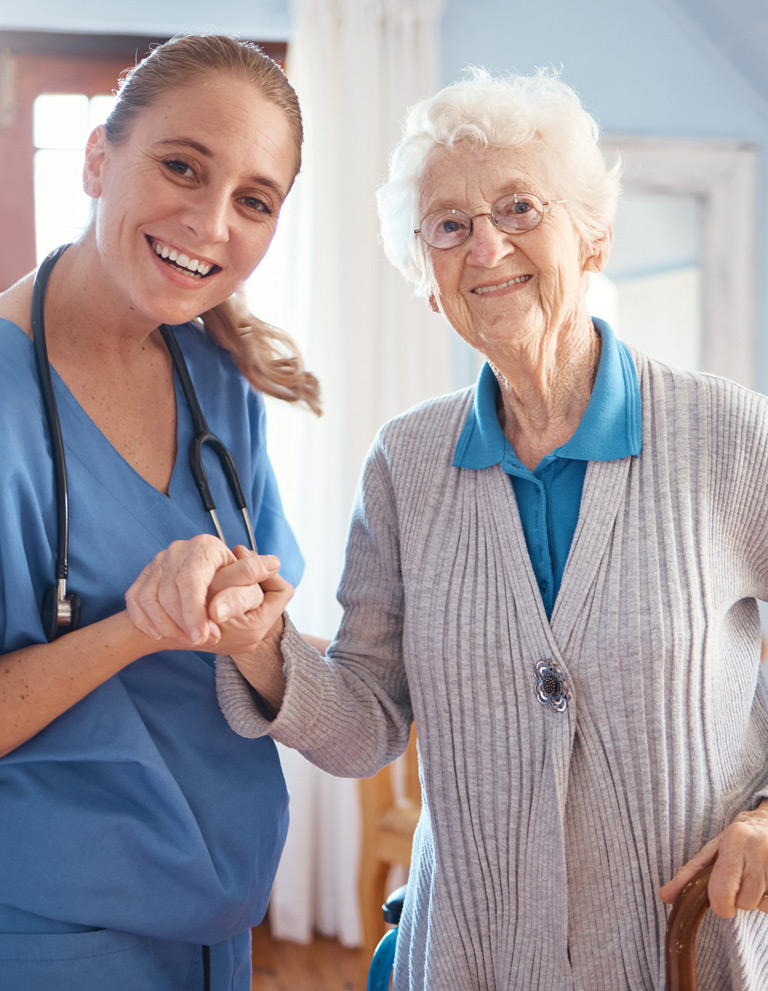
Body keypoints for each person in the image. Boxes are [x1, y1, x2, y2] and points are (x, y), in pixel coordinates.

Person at [127, 68, 768, 990]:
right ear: (427, 279)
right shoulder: (406, 465)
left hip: (685, 960)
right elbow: (366, 725)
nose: (486, 246)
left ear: (593, 237)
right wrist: (262, 647)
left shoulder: (729, 437)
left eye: (518, 207)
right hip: (468, 959)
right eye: (449, 226)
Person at [0, 33, 322, 991]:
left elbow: (268, 629)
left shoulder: (218, 383)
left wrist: (249, 612)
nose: (212, 222)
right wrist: (139, 629)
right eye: (182, 166)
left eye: (253, 201)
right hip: (49, 926)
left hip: (220, 915)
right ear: (100, 157)